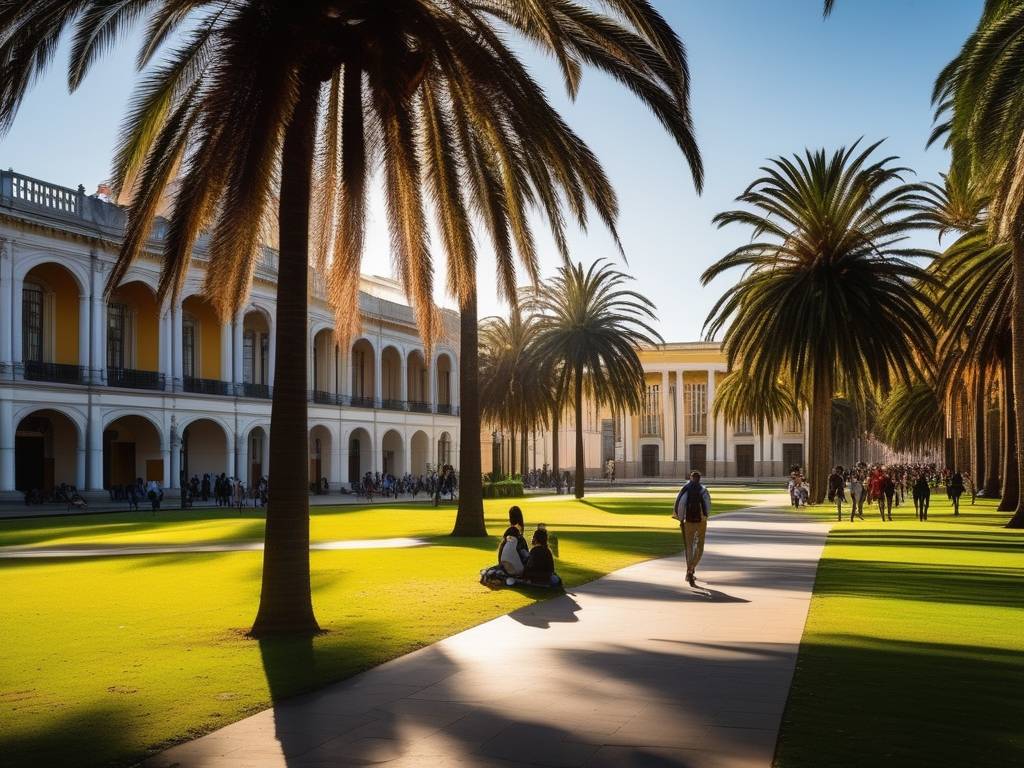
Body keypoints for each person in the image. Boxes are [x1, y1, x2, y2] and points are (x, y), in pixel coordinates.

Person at [673, 471, 710, 587]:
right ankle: (691, 567)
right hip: (701, 521)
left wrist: (680, 518)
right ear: (699, 479)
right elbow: (708, 506)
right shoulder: (703, 490)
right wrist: (705, 516)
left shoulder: (685, 488)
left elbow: (680, 504)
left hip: (688, 522)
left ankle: (689, 570)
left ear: (690, 478)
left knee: (689, 547)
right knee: (700, 547)